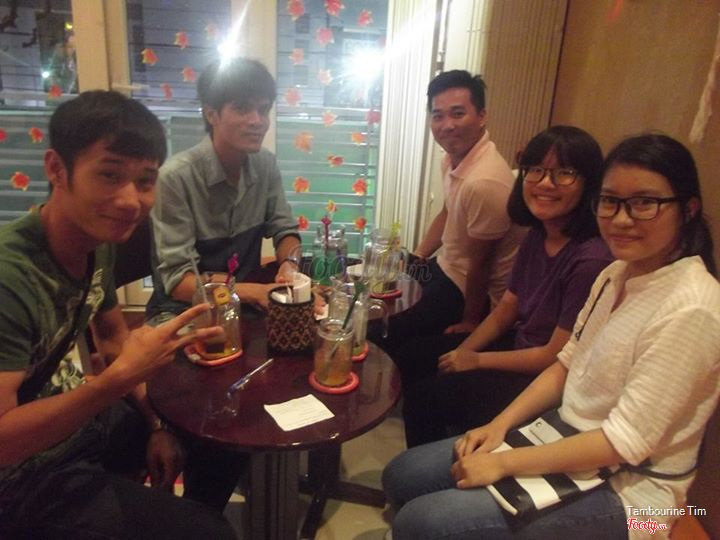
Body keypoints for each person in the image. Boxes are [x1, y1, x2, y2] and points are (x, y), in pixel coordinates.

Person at [382, 133, 720, 539]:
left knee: (421, 521)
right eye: (610, 201)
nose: (621, 219)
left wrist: (503, 462)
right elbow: (566, 361)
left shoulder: (693, 307)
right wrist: (499, 426)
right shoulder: (616, 273)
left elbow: (623, 443)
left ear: (688, 210)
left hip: (636, 500)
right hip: (564, 434)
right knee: (401, 475)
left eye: (644, 203)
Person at [0, 91, 235, 539]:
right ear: (57, 169)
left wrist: (157, 425)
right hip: (21, 479)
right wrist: (116, 381)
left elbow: (111, 341)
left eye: (145, 180)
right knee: (210, 534)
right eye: (109, 175)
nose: (131, 201)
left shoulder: (97, 244)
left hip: (77, 429)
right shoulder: (10, 278)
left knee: (213, 427)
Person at [398, 126, 613, 447]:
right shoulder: (538, 234)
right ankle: (446, 437)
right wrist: (465, 349)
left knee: (423, 398)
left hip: (543, 377)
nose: (545, 183)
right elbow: (507, 308)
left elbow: (552, 355)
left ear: (589, 183)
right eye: (535, 170)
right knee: (412, 356)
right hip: (519, 344)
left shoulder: (590, 260)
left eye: (564, 173)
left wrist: (476, 360)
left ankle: (442, 459)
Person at [374, 70, 525, 355]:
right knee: (377, 285)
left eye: (458, 114)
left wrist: (470, 322)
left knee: (382, 328)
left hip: (467, 290)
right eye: (438, 116)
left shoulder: (484, 181)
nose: (447, 125)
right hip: (445, 268)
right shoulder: (452, 159)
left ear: (482, 116)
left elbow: (481, 265)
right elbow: (447, 212)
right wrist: (416, 258)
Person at [147, 57, 301, 319]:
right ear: (211, 114)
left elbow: (285, 230)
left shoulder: (265, 165)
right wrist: (256, 292)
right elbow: (179, 282)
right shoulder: (175, 178)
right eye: (242, 109)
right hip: (183, 312)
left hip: (243, 310)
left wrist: (290, 264)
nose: (257, 121)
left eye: (263, 110)